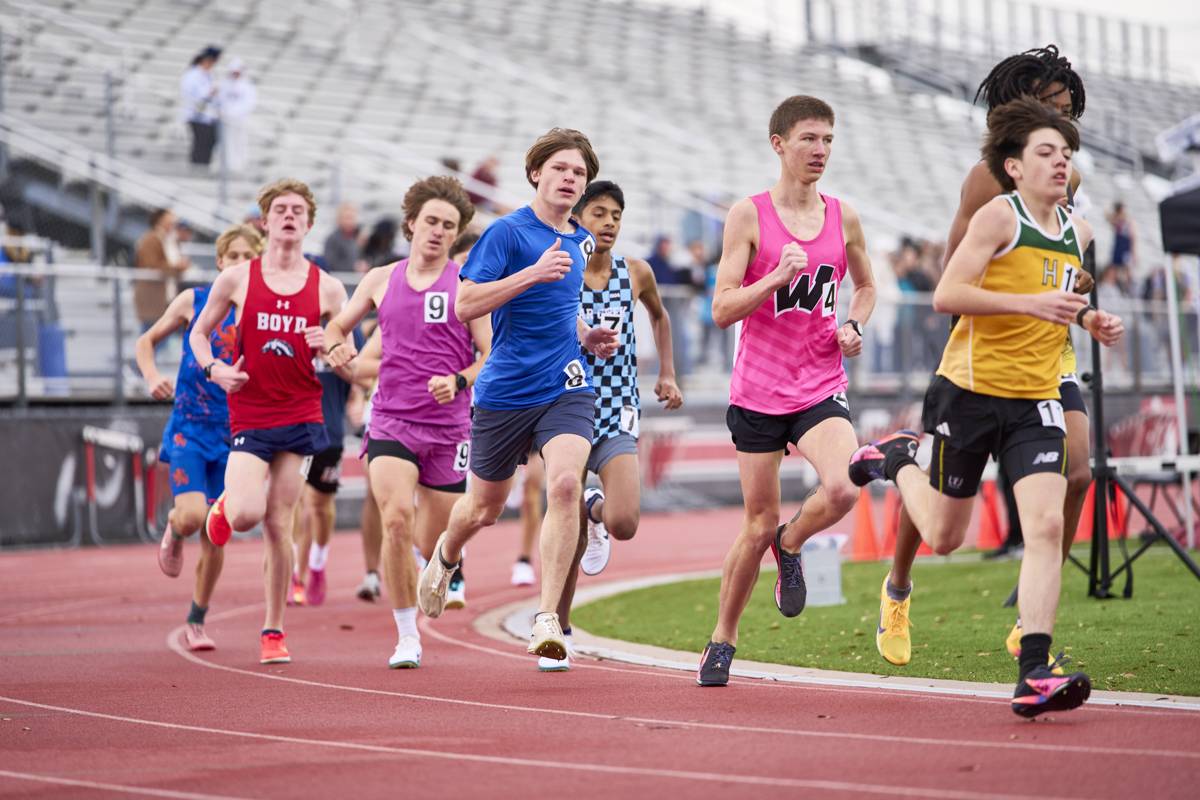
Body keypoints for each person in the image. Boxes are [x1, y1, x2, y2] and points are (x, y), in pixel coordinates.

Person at [850, 97, 1124, 717]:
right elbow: (947, 294)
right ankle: (897, 462)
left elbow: (1060, 297)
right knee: (946, 537)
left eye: (1066, 155)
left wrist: (1090, 317)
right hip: (969, 393)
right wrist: (1031, 304)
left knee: (1048, 525)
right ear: (1014, 167)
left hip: (1035, 398)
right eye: (1046, 154)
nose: (1061, 165)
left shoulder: (1080, 234)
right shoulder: (999, 219)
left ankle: (1034, 669)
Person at [414, 128, 618, 663]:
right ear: (536, 174)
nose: (570, 179)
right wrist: (530, 274)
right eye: (561, 169)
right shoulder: (506, 234)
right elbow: (464, 305)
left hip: (566, 383)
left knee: (568, 483)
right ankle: (446, 553)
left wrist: (585, 334)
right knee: (482, 509)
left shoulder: (581, 239)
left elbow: (563, 306)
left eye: (579, 173)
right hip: (505, 389)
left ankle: (547, 615)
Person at [697, 95, 877, 687]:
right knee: (754, 526)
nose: (820, 150)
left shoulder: (843, 216)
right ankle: (723, 637)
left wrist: (853, 325)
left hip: (820, 379)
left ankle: (792, 542)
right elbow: (721, 308)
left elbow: (867, 286)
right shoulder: (748, 216)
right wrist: (776, 277)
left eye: (827, 138)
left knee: (845, 487)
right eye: (808, 138)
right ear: (778, 144)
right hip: (758, 391)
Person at [324, 176, 489, 668]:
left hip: (449, 427)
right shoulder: (380, 279)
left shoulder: (466, 285)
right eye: (431, 221)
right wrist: (337, 346)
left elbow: (490, 354)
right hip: (391, 420)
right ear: (412, 222)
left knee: (435, 537)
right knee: (396, 518)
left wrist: (460, 381)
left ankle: (440, 564)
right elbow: (338, 325)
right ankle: (406, 635)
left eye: (449, 225)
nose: (438, 232)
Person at [190, 178, 351, 665]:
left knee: (281, 524)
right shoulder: (238, 278)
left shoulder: (328, 286)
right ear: (265, 220)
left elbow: (351, 355)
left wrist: (332, 346)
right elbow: (199, 335)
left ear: (308, 223)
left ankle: (273, 631)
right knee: (245, 515)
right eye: (279, 209)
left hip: (302, 411)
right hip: (251, 410)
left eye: (297, 210)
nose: (287, 216)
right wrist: (215, 369)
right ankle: (222, 511)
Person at [539, 180, 684, 671]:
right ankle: (557, 629)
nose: (608, 223)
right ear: (577, 218)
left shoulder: (636, 272)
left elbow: (661, 319)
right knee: (567, 532)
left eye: (616, 215)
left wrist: (666, 372)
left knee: (623, 523)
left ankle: (594, 507)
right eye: (598, 213)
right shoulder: (560, 269)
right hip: (566, 403)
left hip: (619, 403)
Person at [136, 224, 263, 651]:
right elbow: (145, 341)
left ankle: (196, 619)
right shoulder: (196, 300)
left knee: (216, 532)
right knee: (191, 518)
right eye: (235, 256)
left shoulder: (264, 310)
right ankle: (174, 527)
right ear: (221, 262)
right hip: (190, 426)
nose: (242, 263)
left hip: (237, 435)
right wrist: (153, 376)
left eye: (251, 256)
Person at [289, 327, 364, 607]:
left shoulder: (345, 322)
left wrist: (355, 401)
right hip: (292, 425)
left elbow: (359, 374)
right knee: (292, 502)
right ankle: (295, 572)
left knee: (319, 506)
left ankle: (317, 563)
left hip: (328, 429)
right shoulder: (289, 315)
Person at [134, 209, 192, 336]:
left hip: (167, 298)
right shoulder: (151, 239)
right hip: (153, 299)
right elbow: (152, 264)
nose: (173, 222)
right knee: (151, 337)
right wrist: (177, 266)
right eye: (169, 219)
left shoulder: (170, 240)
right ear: (160, 220)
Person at [180, 46, 221, 168]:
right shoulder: (193, 75)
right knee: (200, 142)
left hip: (208, 116)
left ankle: (203, 165)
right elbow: (192, 95)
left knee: (210, 141)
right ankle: (197, 167)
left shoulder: (207, 75)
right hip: (197, 114)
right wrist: (209, 93)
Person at [218, 58, 256, 171]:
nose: (235, 74)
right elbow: (221, 100)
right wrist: (225, 113)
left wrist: (235, 113)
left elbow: (249, 104)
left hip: (240, 119)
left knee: (240, 142)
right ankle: (227, 165)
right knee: (226, 143)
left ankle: (239, 166)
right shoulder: (225, 85)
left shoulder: (247, 86)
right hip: (226, 119)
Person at [323, 203, 367, 274]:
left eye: (352, 218)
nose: (350, 222)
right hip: (341, 279)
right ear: (339, 219)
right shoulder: (332, 239)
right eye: (347, 218)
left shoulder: (360, 236)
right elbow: (329, 264)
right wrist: (354, 267)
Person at [1106, 202, 1136, 269]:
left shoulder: (1128, 222)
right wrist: (1112, 206)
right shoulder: (1116, 220)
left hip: (1125, 248)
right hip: (1118, 248)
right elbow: (1106, 215)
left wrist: (1133, 253)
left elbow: (1133, 237)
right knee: (1115, 266)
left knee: (1126, 267)